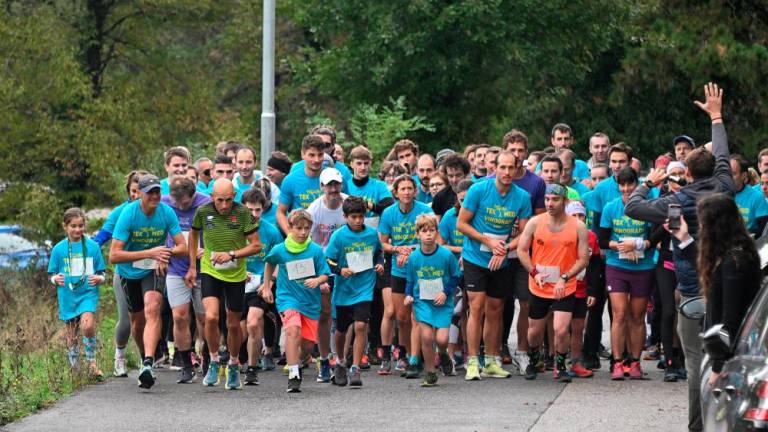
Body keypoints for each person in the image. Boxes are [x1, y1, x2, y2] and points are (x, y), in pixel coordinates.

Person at [624, 83, 733, 432]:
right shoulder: (725, 187)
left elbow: (633, 207)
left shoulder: (676, 201)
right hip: (725, 287)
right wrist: (716, 116)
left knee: (696, 362)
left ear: (686, 173)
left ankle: (697, 426)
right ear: (717, 169)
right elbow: (722, 152)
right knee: (725, 361)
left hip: (690, 289)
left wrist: (649, 180)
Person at [457, 150, 532, 380]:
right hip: (475, 257)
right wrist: (487, 240)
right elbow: (461, 224)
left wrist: (506, 248)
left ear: (517, 169)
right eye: (503, 167)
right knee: (476, 307)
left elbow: (524, 234)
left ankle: (491, 360)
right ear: (495, 168)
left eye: (512, 168)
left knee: (496, 310)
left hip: (501, 258)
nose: (507, 172)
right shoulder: (479, 189)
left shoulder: (522, 197)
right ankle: (472, 361)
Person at [109, 174, 187, 389]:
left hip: (153, 270)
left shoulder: (166, 212)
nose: (154, 196)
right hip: (128, 271)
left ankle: (148, 363)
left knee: (153, 309)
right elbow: (114, 255)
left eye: (157, 191)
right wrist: (149, 253)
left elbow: (182, 246)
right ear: (140, 193)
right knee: (137, 321)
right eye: (150, 192)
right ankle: (145, 355)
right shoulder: (129, 214)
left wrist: (165, 254)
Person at [185, 178, 262, 390]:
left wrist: (231, 254)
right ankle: (213, 360)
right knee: (210, 317)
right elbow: (192, 236)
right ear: (212, 198)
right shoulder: (202, 212)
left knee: (233, 324)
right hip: (210, 270)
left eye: (229, 200)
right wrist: (193, 266)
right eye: (220, 201)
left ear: (234, 196)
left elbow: (256, 246)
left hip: (236, 273)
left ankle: (234, 364)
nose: (225, 205)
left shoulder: (244, 214)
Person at [675, 194, 760, 386]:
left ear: (716, 225)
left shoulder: (734, 263)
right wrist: (684, 238)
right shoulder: (734, 254)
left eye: (703, 222)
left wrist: (718, 366)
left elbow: (731, 319)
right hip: (729, 353)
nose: (701, 228)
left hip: (731, 360)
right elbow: (710, 272)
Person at [516, 183, 589, 382]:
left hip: (564, 285)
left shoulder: (578, 227)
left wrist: (565, 278)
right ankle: (534, 358)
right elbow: (522, 250)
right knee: (534, 331)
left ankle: (561, 364)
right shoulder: (534, 222)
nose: (550, 203)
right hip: (539, 284)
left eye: (555, 199)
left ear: (565, 201)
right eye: (547, 199)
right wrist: (533, 272)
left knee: (561, 329)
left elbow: (583, 259)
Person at [262, 209, 332, 393]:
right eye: (298, 228)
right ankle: (294, 374)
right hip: (287, 298)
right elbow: (269, 262)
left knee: (308, 344)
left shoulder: (315, 250)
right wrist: (267, 286)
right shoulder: (281, 249)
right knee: (293, 330)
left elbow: (325, 273)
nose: (302, 233)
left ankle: (302, 359)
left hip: (310, 301)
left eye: (306, 229)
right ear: (290, 228)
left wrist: (317, 280)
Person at [599, 168, 657, 380]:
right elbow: (603, 239)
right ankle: (616, 362)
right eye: (622, 186)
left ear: (636, 184)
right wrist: (619, 246)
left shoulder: (647, 208)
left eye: (629, 185)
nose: (626, 190)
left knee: (637, 315)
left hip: (643, 266)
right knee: (620, 314)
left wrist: (638, 247)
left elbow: (654, 237)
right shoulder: (610, 208)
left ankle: (634, 362)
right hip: (617, 266)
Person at [325, 196, 385, 387]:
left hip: (364, 287)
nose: (358, 220)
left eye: (361, 216)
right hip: (344, 289)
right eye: (353, 217)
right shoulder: (339, 236)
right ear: (345, 217)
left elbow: (379, 253)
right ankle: (341, 361)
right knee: (341, 330)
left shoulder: (372, 234)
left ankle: (356, 368)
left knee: (360, 326)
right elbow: (328, 260)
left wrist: (379, 264)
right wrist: (340, 270)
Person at [379, 174, 435, 377]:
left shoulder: (425, 210)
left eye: (410, 188)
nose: (406, 192)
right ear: (395, 192)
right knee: (401, 316)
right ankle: (405, 354)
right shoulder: (388, 213)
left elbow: (432, 238)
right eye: (402, 189)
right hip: (398, 269)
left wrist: (408, 250)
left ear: (415, 190)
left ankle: (417, 357)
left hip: (422, 268)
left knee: (419, 315)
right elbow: (382, 243)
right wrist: (396, 249)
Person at [93, 170, 145, 377]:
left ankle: (146, 359)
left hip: (150, 273)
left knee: (150, 318)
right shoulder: (120, 212)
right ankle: (120, 357)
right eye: (133, 191)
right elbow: (100, 239)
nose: (136, 195)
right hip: (124, 273)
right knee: (126, 320)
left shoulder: (158, 212)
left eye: (140, 191)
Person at [503, 129, 546, 372]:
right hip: (497, 251)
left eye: (521, 151)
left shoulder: (535, 182)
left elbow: (540, 221)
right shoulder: (491, 181)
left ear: (526, 153)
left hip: (524, 252)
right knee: (497, 304)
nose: (517, 155)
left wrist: (523, 237)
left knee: (526, 303)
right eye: (512, 150)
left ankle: (522, 350)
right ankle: (497, 349)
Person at [161, 177, 211, 384]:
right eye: (178, 203)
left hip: (204, 269)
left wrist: (207, 250)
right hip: (176, 268)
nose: (181, 206)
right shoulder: (165, 204)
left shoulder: (207, 203)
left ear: (194, 195)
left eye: (185, 203)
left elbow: (219, 233)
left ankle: (208, 359)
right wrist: (160, 256)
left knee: (204, 318)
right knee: (180, 316)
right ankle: (186, 365)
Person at [49, 208, 108, 378]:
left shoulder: (93, 247)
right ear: (65, 227)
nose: (77, 230)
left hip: (87, 293)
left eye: (81, 225)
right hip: (68, 296)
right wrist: (55, 280)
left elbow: (102, 272)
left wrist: (100, 279)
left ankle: (92, 363)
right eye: (73, 226)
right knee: (72, 333)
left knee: (88, 326)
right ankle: (75, 369)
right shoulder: (59, 249)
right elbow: (52, 274)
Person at [404, 214, 461, 387]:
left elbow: (456, 276)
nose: (428, 234)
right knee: (427, 337)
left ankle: (443, 354)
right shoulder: (414, 257)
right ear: (417, 234)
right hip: (422, 302)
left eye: (432, 230)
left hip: (442, 302)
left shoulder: (445, 254)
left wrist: (445, 292)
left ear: (437, 232)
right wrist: (408, 295)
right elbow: (411, 280)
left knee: (442, 339)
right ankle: (430, 372)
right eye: (424, 231)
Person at [306, 167, 348, 382]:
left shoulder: (349, 204)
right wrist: (318, 275)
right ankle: (323, 359)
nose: (333, 189)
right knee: (324, 313)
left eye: (336, 184)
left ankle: (342, 359)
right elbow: (308, 245)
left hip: (347, 265)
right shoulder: (314, 210)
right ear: (321, 187)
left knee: (345, 314)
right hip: (323, 264)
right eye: (329, 185)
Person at [240, 188, 283, 384]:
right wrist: (239, 272)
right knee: (239, 330)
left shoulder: (271, 232)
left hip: (260, 284)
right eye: (250, 210)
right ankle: (236, 360)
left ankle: (252, 367)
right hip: (236, 283)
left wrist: (269, 283)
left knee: (254, 322)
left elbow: (280, 262)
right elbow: (221, 256)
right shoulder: (232, 229)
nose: (254, 215)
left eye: (258, 210)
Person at [564, 201, 600, 378]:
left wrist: (592, 291)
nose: (578, 220)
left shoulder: (591, 236)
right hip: (562, 286)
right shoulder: (561, 233)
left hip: (582, 288)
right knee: (561, 328)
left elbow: (594, 265)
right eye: (574, 216)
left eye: (581, 216)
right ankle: (559, 362)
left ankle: (576, 362)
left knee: (578, 327)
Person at [277, 134, 325, 234]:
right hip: (300, 235)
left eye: (320, 155)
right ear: (303, 154)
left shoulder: (333, 178)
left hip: (326, 235)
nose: (316, 160)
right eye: (311, 155)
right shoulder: (290, 180)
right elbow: (280, 212)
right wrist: (290, 234)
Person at [346, 145, 393, 230]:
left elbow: (389, 207)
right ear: (352, 164)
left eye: (366, 163)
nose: (363, 167)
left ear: (370, 164)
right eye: (359, 163)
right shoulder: (345, 186)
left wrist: (370, 206)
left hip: (374, 232)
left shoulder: (380, 185)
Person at [730, 154, 768, 236]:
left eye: (733, 173)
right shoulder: (720, 195)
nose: (728, 177)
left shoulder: (757, 197)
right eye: (726, 173)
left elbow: (763, 232)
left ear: (743, 175)